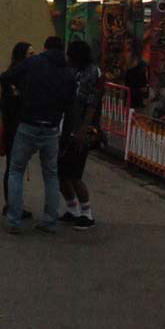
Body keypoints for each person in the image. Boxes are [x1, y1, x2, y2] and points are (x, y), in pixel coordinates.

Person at [0, 36, 77, 235]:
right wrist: (67, 133)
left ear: (46, 48)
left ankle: (14, 219)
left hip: (28, 123)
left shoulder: (34, 63)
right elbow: (71, 107)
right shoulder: (68, 73)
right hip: (51, 128)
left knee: (16, 170)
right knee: (51, 175)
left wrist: (20, 93)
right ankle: (50, 221)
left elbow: (5, 77)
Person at [58, 39, 102, 231]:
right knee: (61, 173)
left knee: (74, 174)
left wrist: (84, 129)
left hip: (82, 129)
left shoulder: (93, 73)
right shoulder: (71, 70)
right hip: (66, 126)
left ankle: (87, 213)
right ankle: (72, 209)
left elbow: (92, 104)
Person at [0, 42, 33, 220]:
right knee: (13, 166)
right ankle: (11, 205)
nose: (33, 56)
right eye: (30, 53)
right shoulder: (12, 77)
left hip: (20, 124)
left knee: (16, 167)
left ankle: (14, 203)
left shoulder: (24, 75)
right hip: (14, 126)